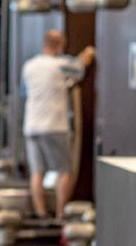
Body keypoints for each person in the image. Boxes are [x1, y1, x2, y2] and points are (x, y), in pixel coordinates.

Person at [22, 30, 95, 221]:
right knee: (66, 171)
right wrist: (88, 53)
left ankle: (41, 214)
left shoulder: (29, 65)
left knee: (37, 172)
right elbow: (80, 68)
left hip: (31, 125)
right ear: (61, 45)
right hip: (54, 126)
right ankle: (61, 215)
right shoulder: (61, 65)